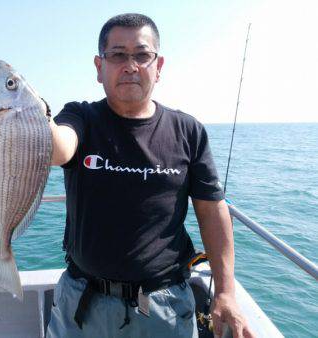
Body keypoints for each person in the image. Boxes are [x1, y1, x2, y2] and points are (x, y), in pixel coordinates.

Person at [46, 13, 255, 338]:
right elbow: (59, 149)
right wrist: (33, 111)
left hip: (164, 306)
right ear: (99, 67)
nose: (130, 65)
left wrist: (226, 291)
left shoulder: (188, 132)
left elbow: (212, 210)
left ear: (158, 67)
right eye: (118, 55)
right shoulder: (81, 117)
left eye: (142, 55)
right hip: (82, 301)